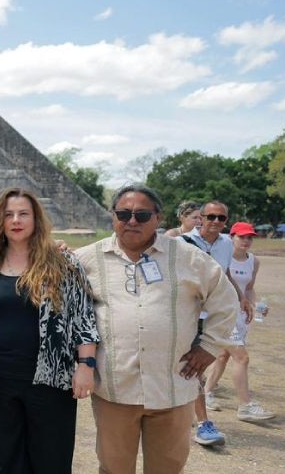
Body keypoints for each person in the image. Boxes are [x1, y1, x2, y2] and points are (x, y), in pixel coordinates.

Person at [75, 184, 239, 473]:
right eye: (124, 214)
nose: (132, 221)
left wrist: (210, 346)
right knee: (113, 468)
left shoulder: (187, 257)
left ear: (158, 218)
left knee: (167, 468)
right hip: (116, 390)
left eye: (142, 214)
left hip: (172, 388)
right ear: (113, 216)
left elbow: (225, 301)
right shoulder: (87, 259)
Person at [0, 187, 99, 474]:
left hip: (50, 382)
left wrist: (86, 365)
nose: (16, 220)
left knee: (51, 459)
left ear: (36, 219)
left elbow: (83, 319)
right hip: (0, 381)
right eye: (9, 214)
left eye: (23, 214)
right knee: (4, 460)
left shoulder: (62, 263)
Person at [180, 200, 253, 446]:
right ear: (201, 218)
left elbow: (226, 273)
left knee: (197, 367)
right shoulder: (182, 243)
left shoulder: (225, 245)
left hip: (214, 316)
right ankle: (203, 423)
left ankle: (192, 414)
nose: (215, 222)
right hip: (187, 315)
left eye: (221, 218)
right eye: (210, 217)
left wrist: (241, 297)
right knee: (193, 368)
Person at [202, 222, 274, 421]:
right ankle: (245, 406)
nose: (246, 241)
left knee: (223, 355)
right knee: (242, 357)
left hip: (241, 317)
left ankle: (206, 392)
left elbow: (249, 288)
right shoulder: (222, 260)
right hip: (223, 315)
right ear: (231, 237)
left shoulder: (253, 261)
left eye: (250, 237)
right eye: (242, 237)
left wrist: (256, 303)